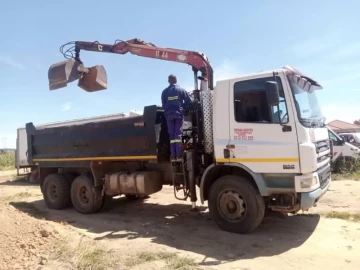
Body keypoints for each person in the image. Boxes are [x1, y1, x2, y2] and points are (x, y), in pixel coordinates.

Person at [161, 74, 193, 161]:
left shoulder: (164, 92)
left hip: (169, 116)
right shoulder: (181, 90)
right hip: (178, 114)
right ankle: (179, 155)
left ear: (168, 81)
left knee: (172, 135)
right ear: (176, 80)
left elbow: (163, 105)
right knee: (178, 134)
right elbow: (189, 101)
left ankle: (173, 154)